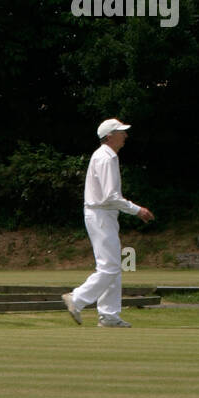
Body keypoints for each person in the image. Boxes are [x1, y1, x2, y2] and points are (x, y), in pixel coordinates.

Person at [63, 119, 154, 329]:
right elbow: (110, 196)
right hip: (101, 215)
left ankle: (109, 316)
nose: (125, 136)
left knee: (112, 266)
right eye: (121, 132)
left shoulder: (106, 156)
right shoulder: (106, 157)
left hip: (103, 215)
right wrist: (137, 210)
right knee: (110, 267)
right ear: (110, 136)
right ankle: (76, 299)